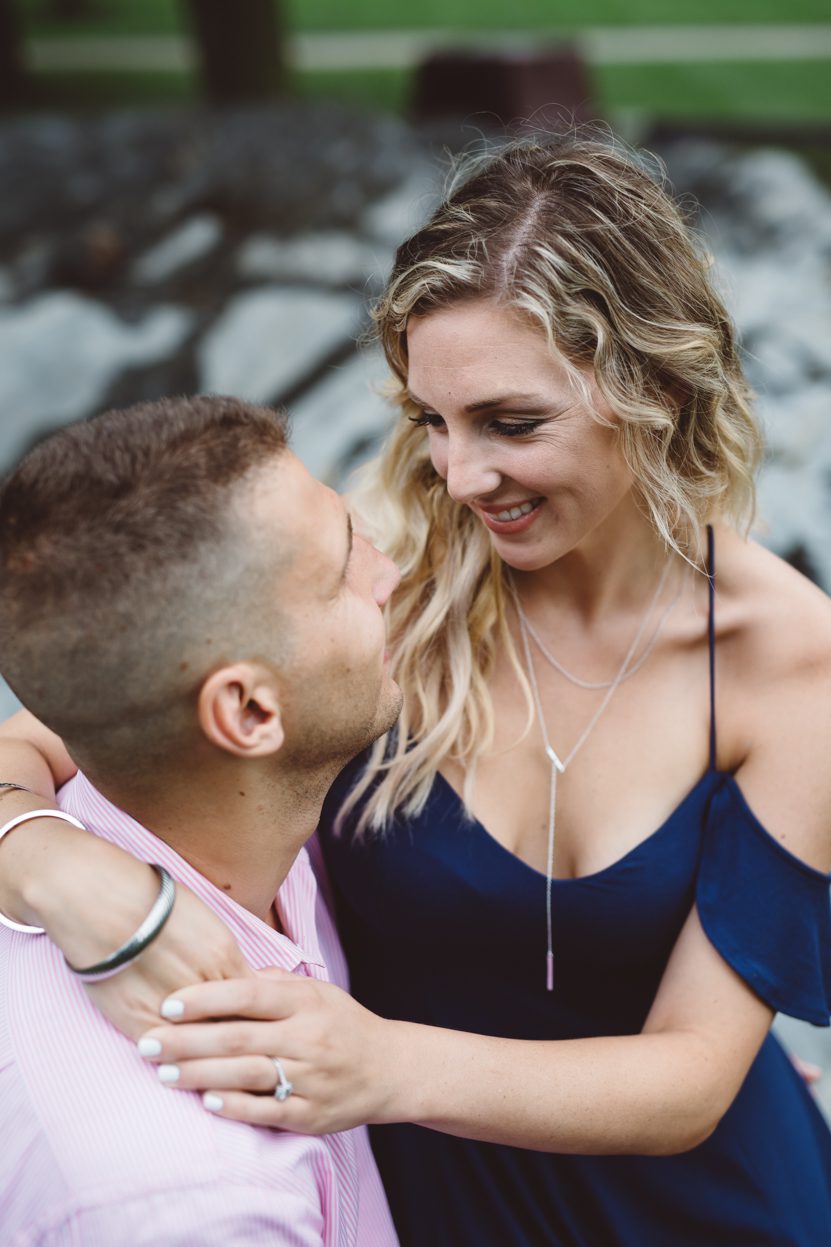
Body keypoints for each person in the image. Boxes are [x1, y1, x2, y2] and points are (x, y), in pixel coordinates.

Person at [2, 136, 831, 1246]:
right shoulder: (371, 568)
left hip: (705, 1210)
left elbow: (692, 1075)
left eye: (512, 422)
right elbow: (85, 698)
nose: (460, 473)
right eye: (429, 419)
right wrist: (57, 865)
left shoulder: (790, 660)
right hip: (423, 1201)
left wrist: (381, 1062)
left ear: (659, 386)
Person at [0, 395, 401, 1246]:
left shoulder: (187, 793)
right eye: (343, 569)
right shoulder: (192, 1200)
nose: (391, 570)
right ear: (251, 711)